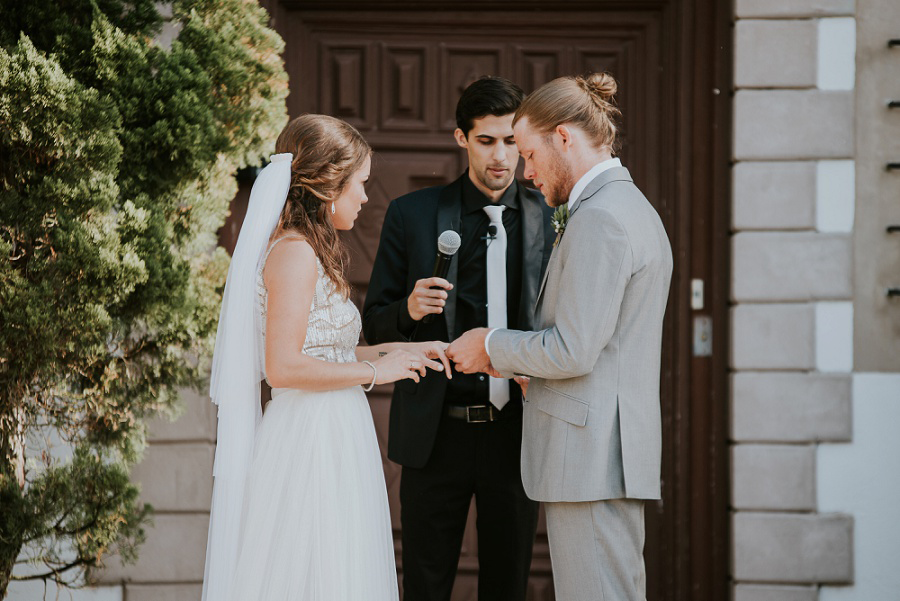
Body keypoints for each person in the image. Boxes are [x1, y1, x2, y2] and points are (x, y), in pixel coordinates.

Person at [201, 114, 451, 601]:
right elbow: (284, 367)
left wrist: (407, 349)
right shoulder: (294, 253)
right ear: (327, 184)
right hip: (307, 439)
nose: (364, 197)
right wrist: (377, 371)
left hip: (336, 429)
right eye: (360, 184)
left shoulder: (314, 250)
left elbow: (331, 352)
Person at [447, 73, 674, 601]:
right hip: (602, 454)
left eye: (529, 153)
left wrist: (492, 346)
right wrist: (532, 371)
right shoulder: (629, 207)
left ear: (564, 137)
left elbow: (574, 348)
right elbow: (606, 344)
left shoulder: (602, 219)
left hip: (592, 458)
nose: (526, 171)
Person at [362, 76, 555, 601]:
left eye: (512, 141)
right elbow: (372, 325)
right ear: (461, 139)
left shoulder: (550, 218)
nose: (502, 156)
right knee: (425, 584)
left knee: (507, 585)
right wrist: (407, 308)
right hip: (435, 436)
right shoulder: (412, 215)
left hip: (516, 431)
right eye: (487, 140)